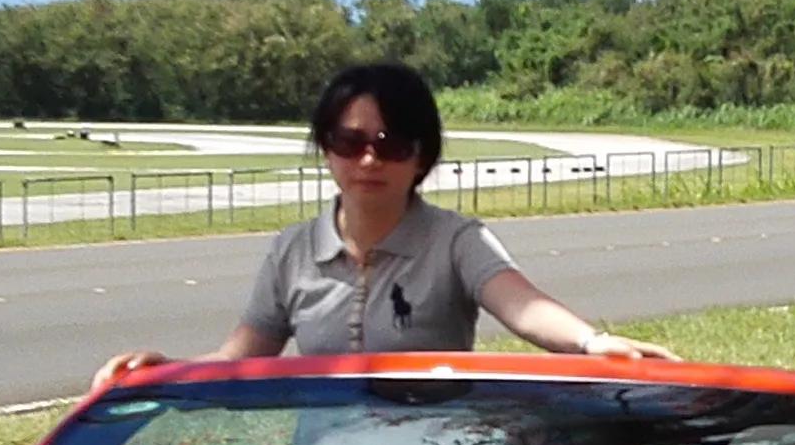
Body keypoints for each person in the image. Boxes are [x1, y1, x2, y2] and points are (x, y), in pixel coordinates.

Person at [98, 60, 673, 378]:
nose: (369, 160)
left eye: (391, 144)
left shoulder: (457, 241)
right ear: (325, 149)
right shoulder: (291, 251)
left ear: (422, 157)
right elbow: (241, 356)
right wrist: (164, 371)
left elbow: (523, 306)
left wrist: (592, 342)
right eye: (349, 142)